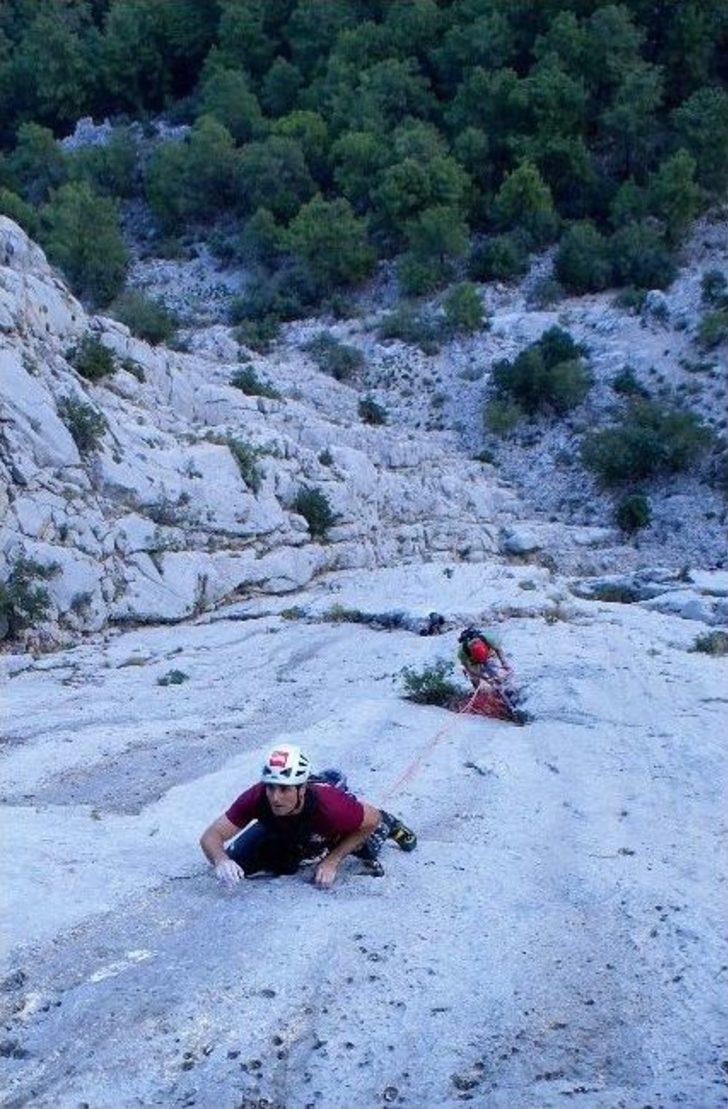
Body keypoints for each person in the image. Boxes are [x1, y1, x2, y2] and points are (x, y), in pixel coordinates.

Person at [200, 744, 416, 891]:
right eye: (271, 787)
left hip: (323, 825)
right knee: (240, 864)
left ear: (302, 788)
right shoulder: (257, 796)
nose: (275, 797)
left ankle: (390, 823)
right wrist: (221, 860)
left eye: (284, 789)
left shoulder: (331, 808)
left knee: (365, 847)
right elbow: (212, 835)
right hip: (286, 826)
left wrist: (332, 861)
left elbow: (372, 818)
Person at [457, 625, 512, 693]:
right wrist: (484, 678)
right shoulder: (462, 652)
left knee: (493, 669)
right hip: (471, 661)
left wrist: (504, 663)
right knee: (474, 678)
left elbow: (498, 650)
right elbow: (468, 669)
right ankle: (477, 690)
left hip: (488, 655)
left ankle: (500, 685)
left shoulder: (489, 639)